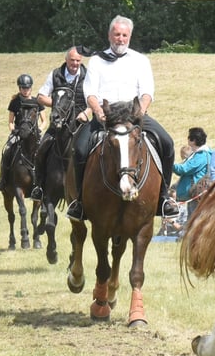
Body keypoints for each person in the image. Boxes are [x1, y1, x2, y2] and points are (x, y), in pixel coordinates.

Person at [68, 15, 179, 221]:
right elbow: (90, 92)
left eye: (124, 35)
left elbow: (147, 92)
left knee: (167, 143)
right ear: (110, 35)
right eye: (117, 34)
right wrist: (98, 111)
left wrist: (141, 110)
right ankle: (81, 202)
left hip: (133, 116)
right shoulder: (97, 60)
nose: (120, 38)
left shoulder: (140, 60)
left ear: (130, 36)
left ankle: (163, 198)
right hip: (105, 116)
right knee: (80, 147)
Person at [29, 47, 88, 201]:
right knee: (41, 148)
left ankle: (87, 190)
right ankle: (38, 187)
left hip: (80, 124)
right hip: (58, 124)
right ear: (66, 59)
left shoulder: (88, 76)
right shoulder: (55, 74)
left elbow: (95, 99)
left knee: (92, 150)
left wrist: (86, 113)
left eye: (78, 61)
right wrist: (59, 105)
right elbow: (41, 97)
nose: (75, 64)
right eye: (72, 60)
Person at [0, 74, 44, 192]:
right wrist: (14, 130)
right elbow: (10, 122)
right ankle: (3, 180)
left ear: (31, 88)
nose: (25, 90)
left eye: (27, 88)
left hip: (34, 134)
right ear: (19, 88)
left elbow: (44, 120)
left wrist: (40, 129)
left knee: (45, 152)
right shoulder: (14, 102)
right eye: (23, 88)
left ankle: (45, 182)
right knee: (7, 150)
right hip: (18, 134)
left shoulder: (37, 101)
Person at [173, 127, 211, 221]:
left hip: (197, 196)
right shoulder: (199, 154)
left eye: (189, 138)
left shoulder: (201, 155)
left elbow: (184, 169)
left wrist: (169, 163)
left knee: (194, 223)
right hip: (195, 195)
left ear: (193, 140)